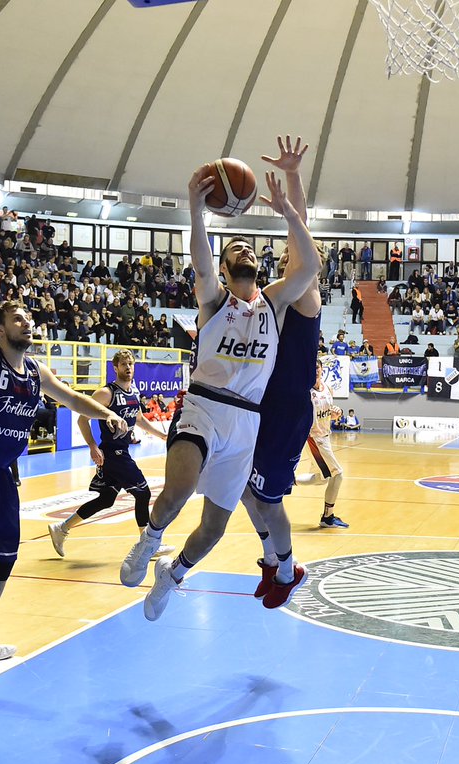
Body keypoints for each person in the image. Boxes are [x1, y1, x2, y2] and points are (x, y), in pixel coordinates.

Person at [122, 140, 320, 623]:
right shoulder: (214, 300)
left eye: (248, 245)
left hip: (249, 421)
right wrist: (194, 206)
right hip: (206, 406)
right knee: (177, 491)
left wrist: (290, 214)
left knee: (216, 526)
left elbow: (310, 267)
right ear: (227, 269)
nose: (244, 248)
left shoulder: (273, 303)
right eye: (235, 247)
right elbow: (201, 258)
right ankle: (149, 542)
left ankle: (174, 574)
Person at [0, 301, 128, 702]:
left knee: (4, 560)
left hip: (1, 474)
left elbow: (71, 398)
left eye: (29, 318)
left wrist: (107, 415)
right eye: (18, 318)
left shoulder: (36, 372)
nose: (27, 322)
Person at [239, 137, 323, 610]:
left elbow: (301, 237)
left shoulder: (305, 298)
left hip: (288, 411)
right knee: (245, 495)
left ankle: (290, 570)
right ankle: (270, 559)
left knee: (269, 500)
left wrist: (292, 183)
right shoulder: (268, 300)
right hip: (259, 406)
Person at [46, 350, 170, 557]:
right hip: (114, 453)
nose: (128, 368)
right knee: (143, 493)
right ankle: (148, 545)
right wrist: (92, 446)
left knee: (106, 500)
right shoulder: (106, 393)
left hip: (122, 451)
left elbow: (138, 419)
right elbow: (82, 419)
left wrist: (161, 435)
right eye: (124, 364)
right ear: (115, 368)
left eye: (131, 364)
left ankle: (62, 528)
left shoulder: (134, 391)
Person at [294, 360, 348, 529]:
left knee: (321, 479)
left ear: (322, 369)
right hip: (314, 439)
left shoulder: (327, 388)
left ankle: (288, 481)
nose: (316, 370)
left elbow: (327, 414)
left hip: (325, 437)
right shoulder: (305, 393)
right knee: (337, 474)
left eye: (317, 367)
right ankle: (327, 516)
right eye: (313, 368)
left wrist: (335, 414)